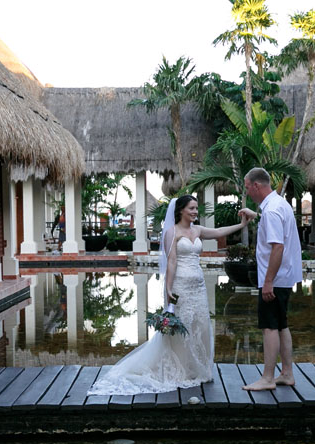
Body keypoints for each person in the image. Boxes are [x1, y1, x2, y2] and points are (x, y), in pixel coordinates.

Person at [88, 195, 255, 395]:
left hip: (199, 286)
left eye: (196, 209)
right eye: (192, 208)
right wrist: (168, 290)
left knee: (199, 325)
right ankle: (180, 370)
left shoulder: (198, 230)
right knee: (181, 328)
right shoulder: (171, 232)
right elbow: (172, 262)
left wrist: (242, 224)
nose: (195, 212)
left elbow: (219, 232)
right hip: (181, 286)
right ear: (181, 210)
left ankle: (197, 368)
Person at [241, 168, 303, 391]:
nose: (247, 192)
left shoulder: (272, 211)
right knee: (281, 325)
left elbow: (277, 246)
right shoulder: (278, 204)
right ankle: (286, 373)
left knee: (269, 327)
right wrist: (255, 215)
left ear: (256, 186)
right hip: (284, 277)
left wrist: (268, 282)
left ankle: (267, 378)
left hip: (275, 279)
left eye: (247, 187)